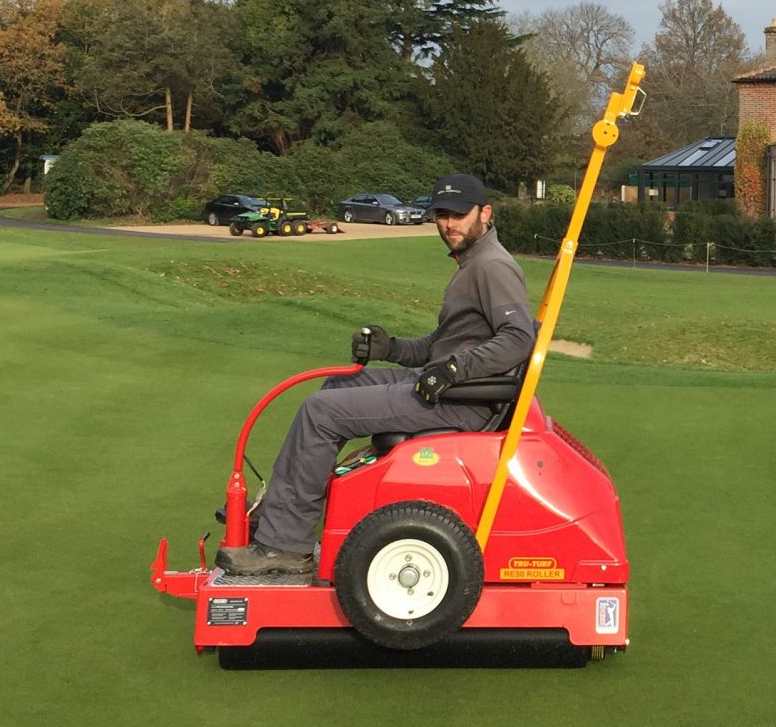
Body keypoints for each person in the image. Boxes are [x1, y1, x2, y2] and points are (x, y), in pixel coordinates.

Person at [215, 173, 536, 575]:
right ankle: (280, 512)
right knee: (339, 384)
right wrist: (392, 349)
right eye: (442, 215)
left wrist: (455, 370)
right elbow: (443, 343)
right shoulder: (473, 263)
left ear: (485, 213)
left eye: (458, 215)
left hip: (460, 401)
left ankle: (285, 545)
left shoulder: (492, 266)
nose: (448, 224)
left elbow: (518, 337)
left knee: (321, 411)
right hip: (448, 386)